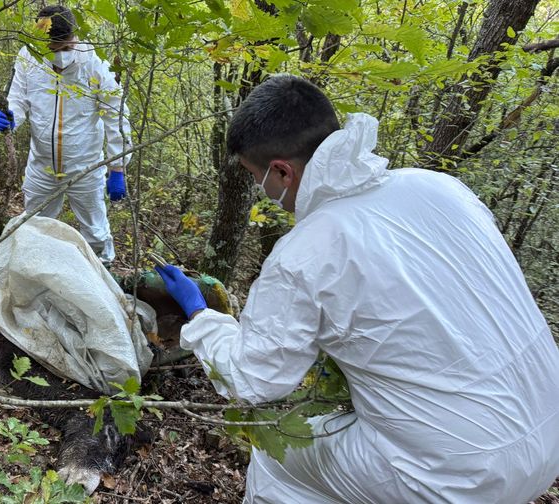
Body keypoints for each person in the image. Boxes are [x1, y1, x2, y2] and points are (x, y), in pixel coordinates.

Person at [155, 74, 559, 503]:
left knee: (279, 451)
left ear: (281, 171)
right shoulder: (437, 187)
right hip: (548, 440)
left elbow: (253, 380)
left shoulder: (307, 251)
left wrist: (200, 317)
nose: (262, 191)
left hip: (455, 476)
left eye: (257, 178)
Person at [0, 5, 131, 266]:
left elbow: (116, 114)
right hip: (42, 166)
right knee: (36, 229)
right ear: (41, 42)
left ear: (74, 38)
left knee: (96, 233)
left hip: (85, 166)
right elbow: (19, 99)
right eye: (54, 49)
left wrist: (118, 167)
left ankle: (104, 275)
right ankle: (39, 275)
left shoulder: (94, 60)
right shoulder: (28, 57)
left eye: (67, 48)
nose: (61, 55)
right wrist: (10, 116)